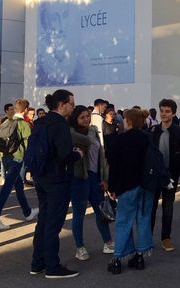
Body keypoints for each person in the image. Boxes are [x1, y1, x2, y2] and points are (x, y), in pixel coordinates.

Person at [31, 89, 82, 279]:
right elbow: (65, 155)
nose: (73, 107)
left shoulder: (41, 122)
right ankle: (52, 266)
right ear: (62, 104)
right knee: (53, 224)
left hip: (41, 176)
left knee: (43, 221)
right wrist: (77, 154)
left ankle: (37, 263)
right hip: (57, 179)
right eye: (72, 104)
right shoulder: (60, 125)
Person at [105, 108, 154, 274]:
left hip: (126, 185)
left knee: (123, 221)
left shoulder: (119, 140)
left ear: (129, 121)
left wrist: (112, 188)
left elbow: (115, 168)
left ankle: (118, 259)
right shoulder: (148, 138)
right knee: (143, 219)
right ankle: (140, 256)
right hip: (146, 185)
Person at [68, 105, 113, 261]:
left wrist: (105, 178)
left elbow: (102, 155)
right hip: (79, 178)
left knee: (101, 211)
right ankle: (79, 247)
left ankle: (108, 242)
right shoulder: (73, 133)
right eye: (82, 117)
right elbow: (86, 141)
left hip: (95, 177)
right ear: (75, 119)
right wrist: (93, 129)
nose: (87, 119)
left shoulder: (93, 132)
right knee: (79, 214)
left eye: (88, 116)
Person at [150, 99, 180, 252]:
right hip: (154, 175)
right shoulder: (153, 130)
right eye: (162, 110)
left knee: (168, 207)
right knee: (150, 208)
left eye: (167, 111)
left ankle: (166, 238)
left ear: (173, 113)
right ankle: (147, 237)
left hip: (171, 175)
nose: (163, 114)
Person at [0, 98, 38, 231]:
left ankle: (27, 212)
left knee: (19, 185)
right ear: (26, 110)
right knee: (6, 189)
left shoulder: (6, 121)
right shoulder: (23, 124)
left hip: (6, 158)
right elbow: (29, 146)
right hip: (17, 159)